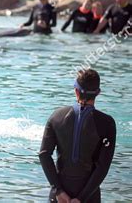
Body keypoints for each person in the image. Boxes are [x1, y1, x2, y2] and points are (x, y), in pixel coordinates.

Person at [39, 69, 116, 203]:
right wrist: (81, 198)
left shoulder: (56, 117)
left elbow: (44, 155)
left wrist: (58, 190)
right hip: (89, 196)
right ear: (98, 93)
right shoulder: (107, 123)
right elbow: (102, 167)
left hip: (58, 196)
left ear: (76, 91)